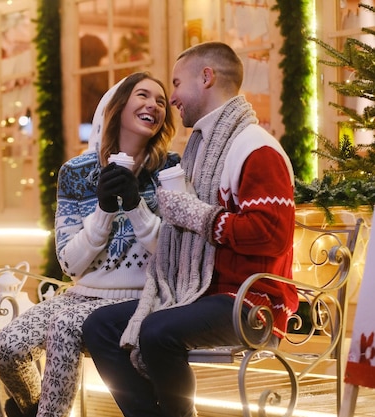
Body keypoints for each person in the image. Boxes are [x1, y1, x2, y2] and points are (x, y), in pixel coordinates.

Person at [82, 41, 299, 417]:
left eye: (177, 84)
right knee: (100, 326)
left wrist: (197, 215)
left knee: (157, 331)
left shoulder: (255, 148)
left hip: (252, 301)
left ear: (207, 77)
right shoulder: (199, 150)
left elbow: (271, 234)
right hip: (199, 291)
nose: (174, 97)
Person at [0, 71, 180, 417]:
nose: (153, 104)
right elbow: (70, 264)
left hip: (142, 297)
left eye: (161, 100)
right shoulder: (76, 173)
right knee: (6, 349)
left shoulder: (169, 170)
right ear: (118, 107)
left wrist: (136, 205)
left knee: (64, 328)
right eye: (142, 95)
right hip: (81, 293)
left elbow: (173, 253)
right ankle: (33, 411)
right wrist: (104, 212)